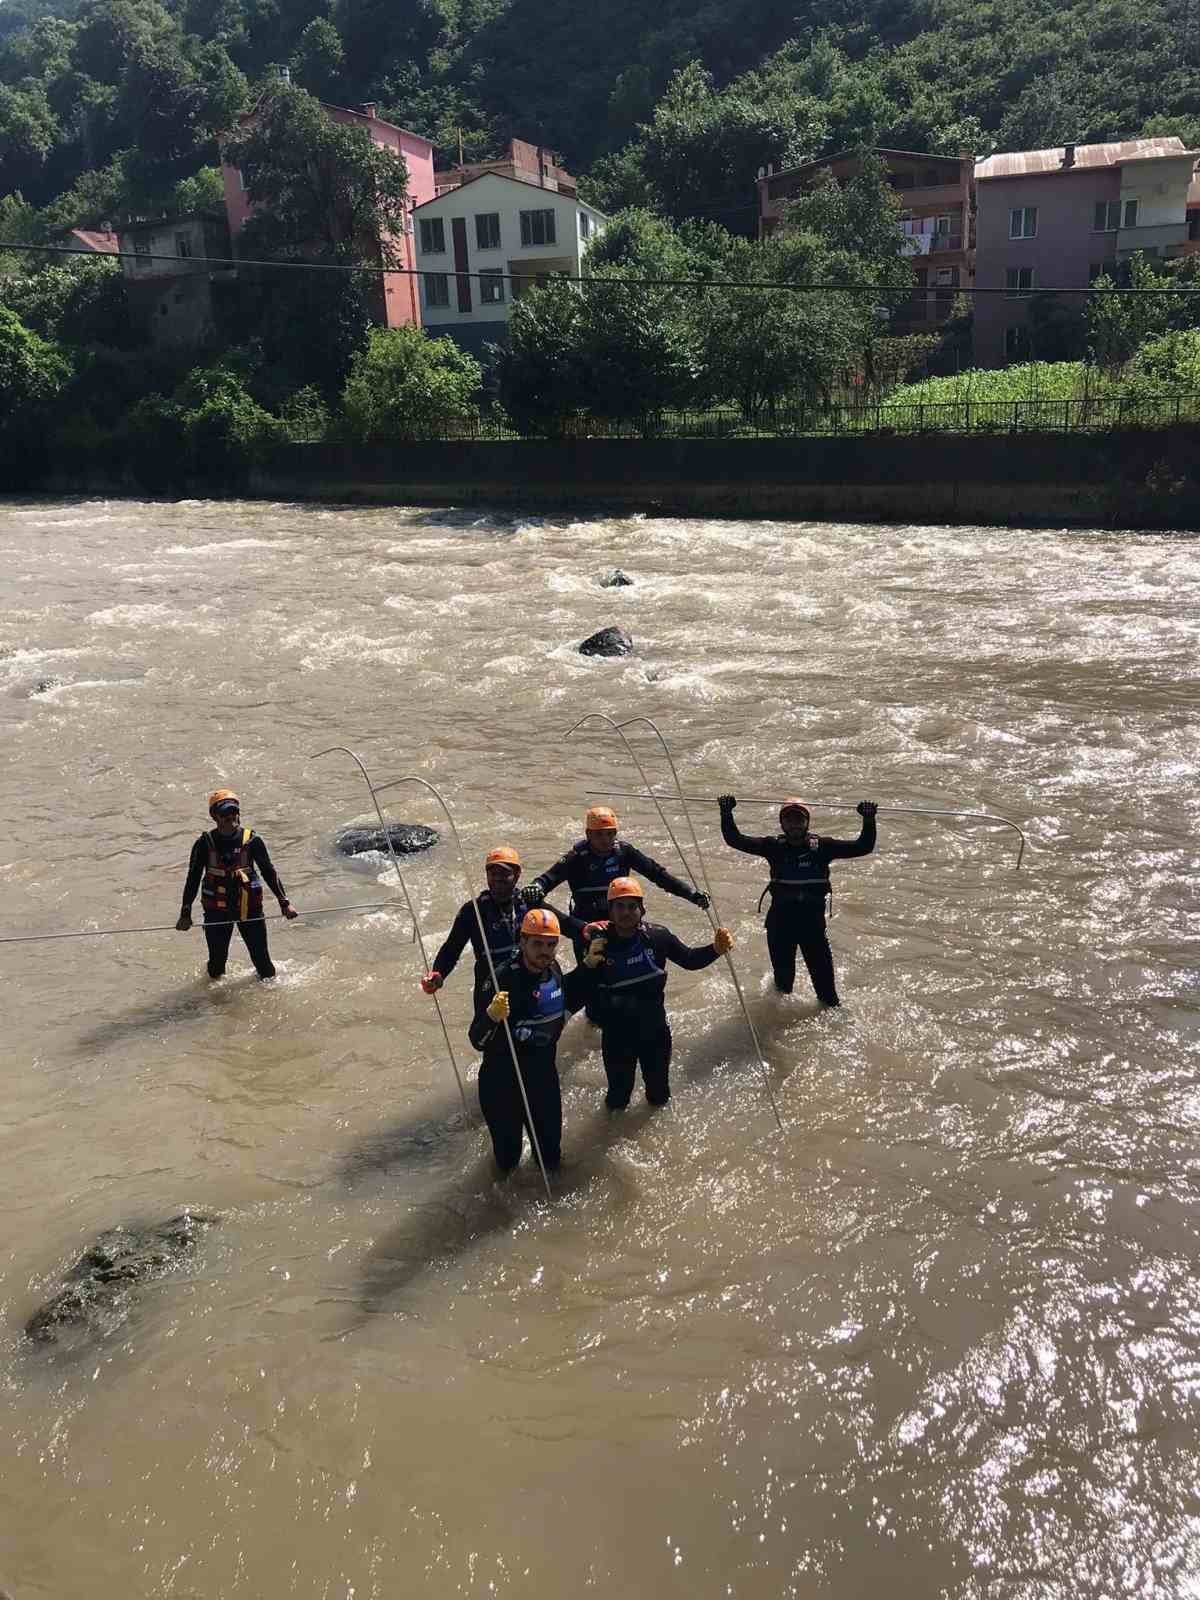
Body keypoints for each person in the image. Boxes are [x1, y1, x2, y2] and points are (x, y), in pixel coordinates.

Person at [468, 907, 602, 1175]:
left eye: (551, 945)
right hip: (502, 1082)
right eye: (537, 944)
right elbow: (476, 1040)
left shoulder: (553, 969)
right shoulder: (500, 979)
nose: (545, 951)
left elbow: (565, 999)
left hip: (542, 1077)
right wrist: (491, 1017)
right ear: (523, 942)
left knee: (550, 1155)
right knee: (508, 1161)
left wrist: (587, 968)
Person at [584, 876, 734, 1110]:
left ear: (642, 909)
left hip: (654, 1031)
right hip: (616, 1035)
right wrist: (588, 967)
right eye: (619, 906)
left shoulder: (658, 937)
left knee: (659, 1095)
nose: (626, 912)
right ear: (610, 911)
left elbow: (689, 959)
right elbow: (582, 990)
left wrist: (716, 949)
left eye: (632, 906)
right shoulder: (599, 945)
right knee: (618, 1098)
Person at [717, 794, 877, 1007]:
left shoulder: (823, 847)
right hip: (780, 929)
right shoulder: (773, 847)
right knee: (783, 990)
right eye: (789, 819)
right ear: (781, 823)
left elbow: (863, 846)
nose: (794, 824)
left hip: (813, 929)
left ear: (807, 822)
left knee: (828, 997)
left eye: (799, 819)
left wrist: (868, 818)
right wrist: (726, 812)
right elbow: (735, 839)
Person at [420, 846, 576, 1008]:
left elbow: (564, 924)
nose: (498, 879)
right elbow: (451, 949)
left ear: (517, 875)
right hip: (490, 985)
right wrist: (438, 974)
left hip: (527, 981)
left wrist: (585, 929)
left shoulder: (528, 902)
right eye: (493, 874)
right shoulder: (473, 911)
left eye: (504, 874)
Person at [177, 789, 297, 979]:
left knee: (264, 965)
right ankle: (215, 996)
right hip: (216, 911)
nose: (230, 817)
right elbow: (192, 879)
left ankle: (269, 993)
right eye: (225, 813)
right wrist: (185, 913)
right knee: (216, 967)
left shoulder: (253, 841)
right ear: (214, 816)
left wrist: (285, 903)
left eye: (234, 812)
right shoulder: (203, 844)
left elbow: (269, 872)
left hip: (250, 908)